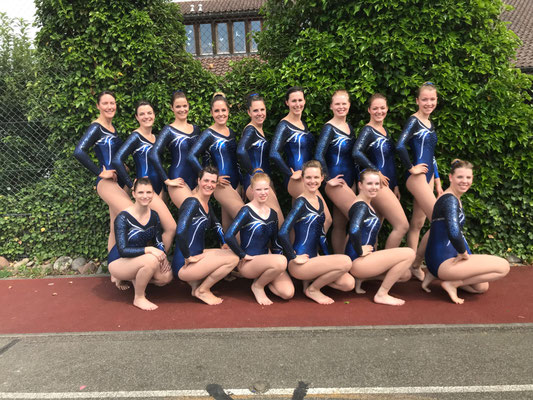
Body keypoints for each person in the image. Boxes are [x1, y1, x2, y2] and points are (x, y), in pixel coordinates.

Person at [422, 160, 510, 304]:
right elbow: (454, 231)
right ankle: (451, 283)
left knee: (481, 287)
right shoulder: (450, 200)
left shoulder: (452, 198)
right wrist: (463, 252)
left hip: (440, 259)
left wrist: (427, 260)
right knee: (503, 267)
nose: (465, 181)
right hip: (444, 261)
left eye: (468, 177)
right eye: (460, 177)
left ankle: (438, 276)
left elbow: (433, 231)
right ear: (451, 177)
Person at [74, 91, 133, 289]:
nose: (110, 106)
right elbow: (79, 151)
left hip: (120, 182)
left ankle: (115, 275)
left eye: (112, 103)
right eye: (105, 103)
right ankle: (123, 269)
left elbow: (114, 155)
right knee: (131, 217)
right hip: (107, 183)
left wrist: (123, 167)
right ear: (98, 106)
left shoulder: (112, 128)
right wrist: (101, 171)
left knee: (115, 227)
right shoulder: (96, 127)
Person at [278, 160, 354, 305]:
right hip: (300, 263)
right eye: (308, 177)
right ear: (302, 179)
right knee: (345, 261)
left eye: (316, 177)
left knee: (348, 283)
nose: (312, 181)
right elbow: (283, 232)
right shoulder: (301, 202)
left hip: (314, 259)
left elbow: (320, 235)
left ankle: (310, 284)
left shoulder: (318, 201)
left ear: (322, 178)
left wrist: (326, 258)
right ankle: (313, 289)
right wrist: (293, 256)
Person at [112, 101, 176, 251]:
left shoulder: (156, 137)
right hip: (147, 190)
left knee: (154, 231)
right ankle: (160, 261)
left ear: (154, 115)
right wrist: (131, 185)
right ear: (137, 117)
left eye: (149, 113)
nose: (146, 116)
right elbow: (117, 160)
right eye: (142, 114)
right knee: (171, 227)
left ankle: (152, 261)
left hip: (159, 188)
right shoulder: (136, 137)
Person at [172, 166, 240, 305]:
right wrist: (187, 256)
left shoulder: (206, 204)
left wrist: (223, 242)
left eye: (213, 182)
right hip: (184, 264)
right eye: (206, 181)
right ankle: (202, 290)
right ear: (199, 181)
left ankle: (196, 285)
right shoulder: (192, 203)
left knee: (232, 252)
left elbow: (216, 225)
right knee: (233, 259)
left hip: (197, 255)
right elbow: (180, 232)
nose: (209, 185)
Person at [396, 82, 443, 280]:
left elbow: (431, 155)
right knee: (439, 219)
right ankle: (416, 263)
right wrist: (411, 168)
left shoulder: (430, 123)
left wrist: (438, 181)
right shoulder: (413, 121)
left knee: (418, 222)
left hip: (429, 176)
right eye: (424, 99)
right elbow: (400, 145)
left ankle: (413, 267)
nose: (428, 103)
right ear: (417, 101)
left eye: (432, 99)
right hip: (417, 177)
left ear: (436, 100)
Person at [346, 169, 414, 306]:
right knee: (409, 253)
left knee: (405, 275)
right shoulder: (361, 206)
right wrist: (359, 250)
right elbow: (353, 230)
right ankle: (381, 294)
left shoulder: (366, 203)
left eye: (377, 184)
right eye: (369, 184)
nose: (374, 187)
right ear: (360, 185)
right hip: (358, 261)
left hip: (363, 260)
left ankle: (362, 279)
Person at [225, 172, 294, 305]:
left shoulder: (273, 214)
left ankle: (265, 277)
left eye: (266, 189)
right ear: (252, 190)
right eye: (258, 189)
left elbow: (275, 243)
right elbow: (229, 235)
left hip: (268, 260)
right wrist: (242, 254)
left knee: (287, 293)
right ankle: (258, 286)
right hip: (250, 262)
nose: (263, 193)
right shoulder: (246, 211)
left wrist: (279, 269)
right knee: (281, 261)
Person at [352, 93, 409, 249]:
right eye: (375, 108)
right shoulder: (368, 131)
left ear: (387, 109)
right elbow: (356, 152)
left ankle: (372, 260)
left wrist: (395, 185)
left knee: (374, 229)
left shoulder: (384, 130)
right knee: (402, 225)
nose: (379, 111)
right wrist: (376, 172)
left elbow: (390, 160)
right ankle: (388, 259)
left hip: (386, 183)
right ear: (369, 110)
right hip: (377, 184)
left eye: (382, 108)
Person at [270, 87, 332, 231]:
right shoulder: (284, 125)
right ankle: (311, 245)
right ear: (287, 103)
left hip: (307, 178)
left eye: (300, 100)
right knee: (326, 219)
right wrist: (290, 173)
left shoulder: (303, 124)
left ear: (304, 101)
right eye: (294, 101)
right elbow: (274, 152)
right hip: (297, 180)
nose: (297, 104)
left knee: (299, 222)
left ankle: (293, 245)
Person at [107, 177, 173, 310]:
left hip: (138, 259)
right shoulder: (123, 218)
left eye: (149, 192)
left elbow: (158, 241)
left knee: (166, 277)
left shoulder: (154, 216)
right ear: (134, 194)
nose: (145, 196)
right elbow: (123, 250)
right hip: (119, 260)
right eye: (141, 192)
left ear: (153, 194)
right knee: (151, 260)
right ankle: (139, 297)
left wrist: (163, 256)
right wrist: (149, 250)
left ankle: (135, 279)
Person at [188, 93, 244, 230]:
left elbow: (234, 160)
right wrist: (213, 179)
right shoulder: (208, 134)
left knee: (229, 223)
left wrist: (241, 183)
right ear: (211, 113)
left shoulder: (231, 132)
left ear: (228, 111)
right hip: (221, 185)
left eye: (223, 110)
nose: (220, 114)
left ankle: (226, 244)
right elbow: (191, 156)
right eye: (217, 111)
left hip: (235, 183)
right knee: (244, 219)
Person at [315, 89, 358, 253]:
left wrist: (356, 181)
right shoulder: (329, 128)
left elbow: (353, 157)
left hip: (349, 180)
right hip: (336, 181)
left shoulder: (349, 127)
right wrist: (327, 179)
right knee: (359, 218)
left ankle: (341, 259)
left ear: (349, 105)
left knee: (340, 224)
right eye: (337, 104)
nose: (341, 107)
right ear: (331, 106)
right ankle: (352, 258)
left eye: (344, 103)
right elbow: (319, 154)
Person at [237, 93, 284, 226]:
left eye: (262, 109)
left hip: (263, 181)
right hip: (257, 182)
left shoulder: (258, 129)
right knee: (279, 222)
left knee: (270, 223)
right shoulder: (251, 130)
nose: (260, 113)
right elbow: (240, 151)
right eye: (255, 110)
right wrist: (253, 172)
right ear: (249, 112)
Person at [149, 90, 201, 208]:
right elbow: (153, 154)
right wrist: (166, 180)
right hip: (178, 179)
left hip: (196, 181)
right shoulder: (168, 130)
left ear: (188, 106)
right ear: (172, 108)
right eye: (178, 106)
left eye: (184, 106)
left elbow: (203, 154)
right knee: (192, 211)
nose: (182, 109)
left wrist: (203, 176)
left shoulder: (196, 129)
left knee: (198, 216)